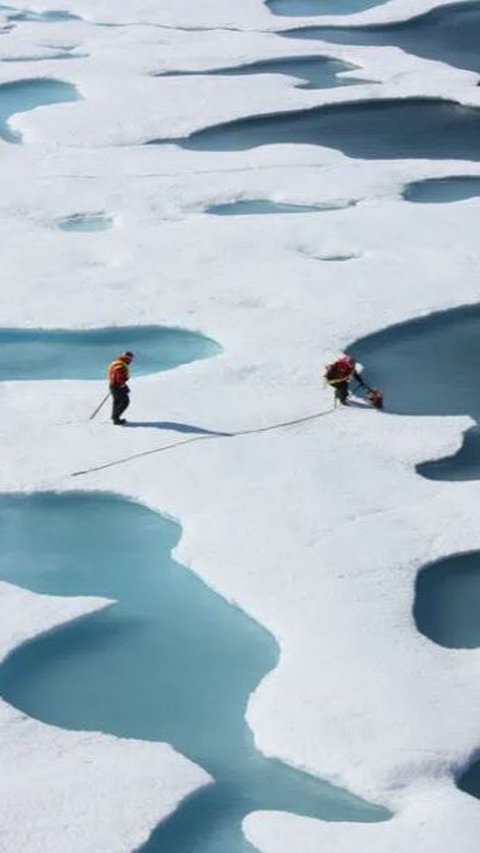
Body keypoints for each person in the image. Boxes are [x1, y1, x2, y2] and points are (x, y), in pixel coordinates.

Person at [108, 351, 134, 425]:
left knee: (117, 401)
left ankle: (115, 418)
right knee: (125, 402)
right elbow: (119, 378)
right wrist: (124, 386)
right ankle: (115, 418)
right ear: (126, 358)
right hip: (117, 386)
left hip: (113, 385)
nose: (131, 361)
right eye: (130, 359)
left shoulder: (117, 363)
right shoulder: (120, 366)